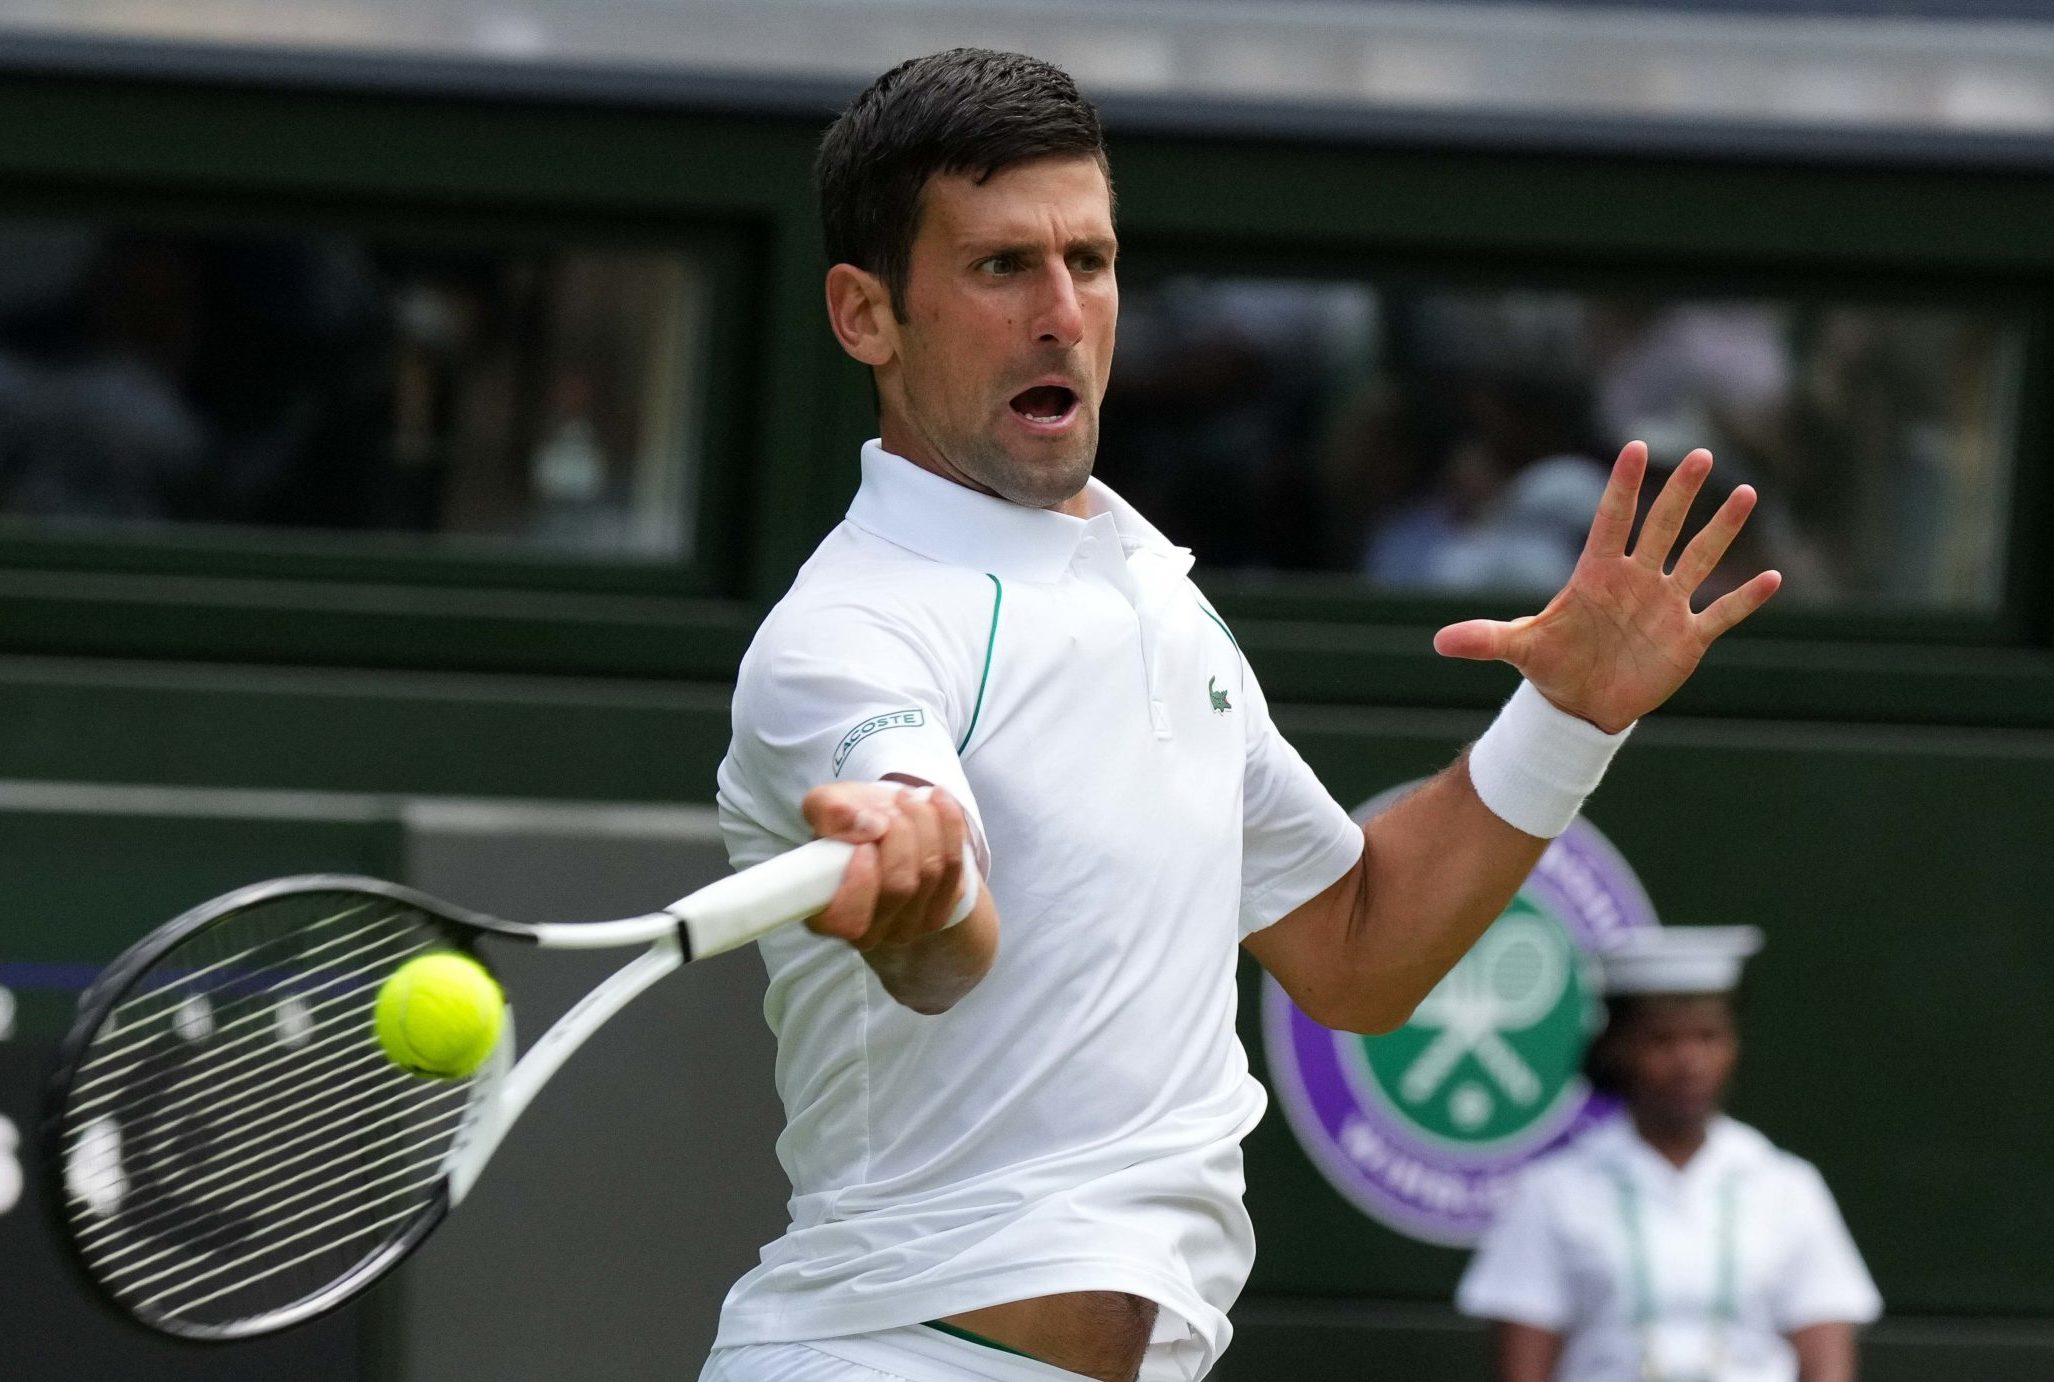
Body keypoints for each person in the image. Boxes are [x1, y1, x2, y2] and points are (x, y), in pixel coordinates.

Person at [704, 48, 1782, 1382]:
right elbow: (941, 944)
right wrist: (922, 889)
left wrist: (1566, 717)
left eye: (1087, 262)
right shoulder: (846, 637)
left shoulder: (1153, 593)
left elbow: (1354, 949)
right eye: (999, 268)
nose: (1061, 313)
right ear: (866, 315)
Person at [1457, 928, 1881, 1382]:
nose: (1689, 1061)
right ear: (1618, 1048)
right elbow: (1524, 1363)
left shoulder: (1787, 1187)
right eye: (1662, 1040)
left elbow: (1827, 1355)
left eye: (1708, 1037)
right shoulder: (1554, 1191)